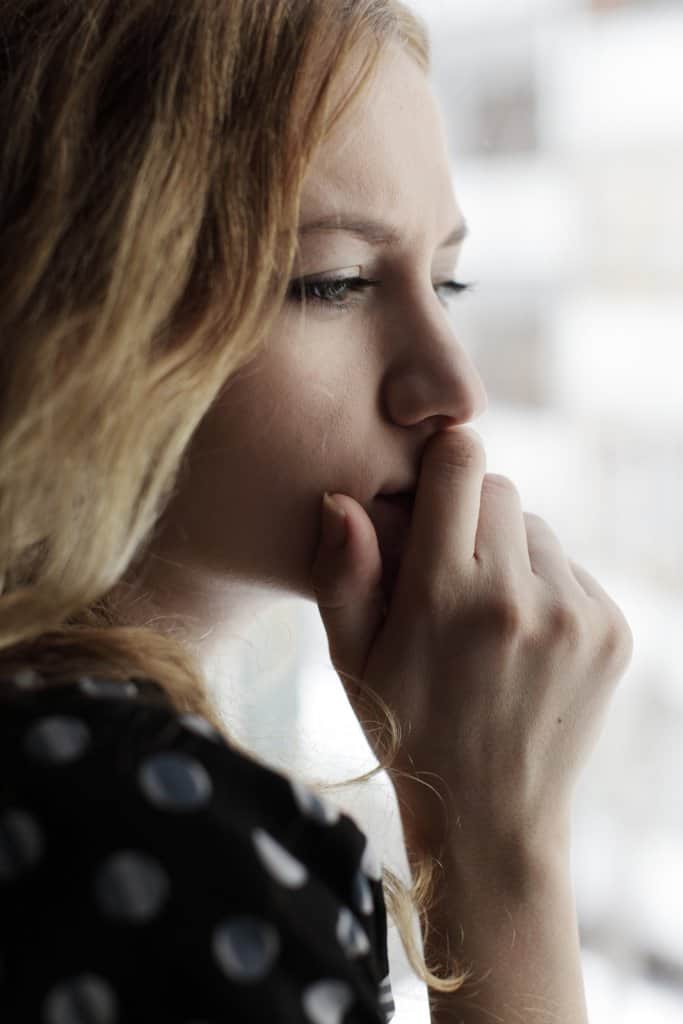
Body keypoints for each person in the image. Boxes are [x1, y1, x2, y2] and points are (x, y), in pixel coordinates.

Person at [0, 2, 633, 1022]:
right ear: (77, 294)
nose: (450, 385)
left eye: (446, 279)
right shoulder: (139, 834)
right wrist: (499, 851)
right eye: (334, 284)